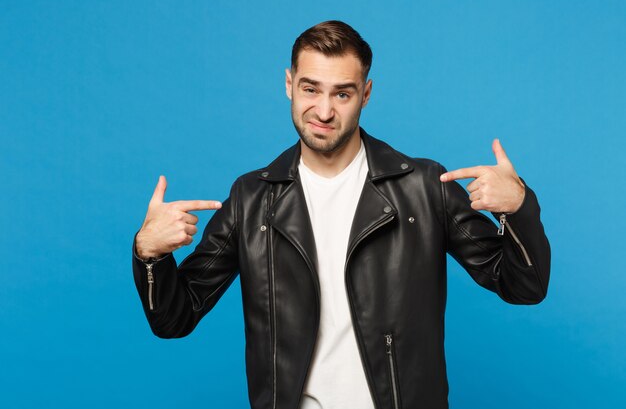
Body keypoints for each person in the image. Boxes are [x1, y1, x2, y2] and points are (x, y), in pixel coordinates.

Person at [132, 20, 550, 409]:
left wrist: (518, 207)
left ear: (365, 94)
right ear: (289, 84)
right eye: (311, 89)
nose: (325, 111)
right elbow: (174, 318)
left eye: (342, 93)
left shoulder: (423, 187)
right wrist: (149, 253)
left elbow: (523, 286)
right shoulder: (251, 199)